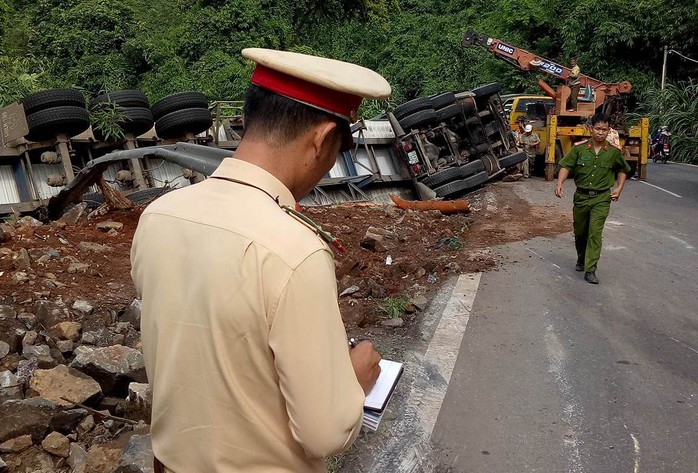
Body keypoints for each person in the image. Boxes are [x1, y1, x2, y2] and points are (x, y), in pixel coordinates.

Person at [131, 48, 390, 472]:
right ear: (322, 139)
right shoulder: (295, 250)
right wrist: (354, 382)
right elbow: (324, 433)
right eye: (334, 154)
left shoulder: (159, 215)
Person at [554, 112, 631, 284]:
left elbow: (622, 170)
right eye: (598, 129)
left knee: (595, 232)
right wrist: (559, 183)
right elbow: (566, 166)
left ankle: (591, 269)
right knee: (580, 233)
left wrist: (619, 188)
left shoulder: (613, 152)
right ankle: (581, 258)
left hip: (601, 198)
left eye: (604, 129)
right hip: (581, 197)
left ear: (609, 130)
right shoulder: (579, 149)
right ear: (591, 128)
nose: (601, 132)